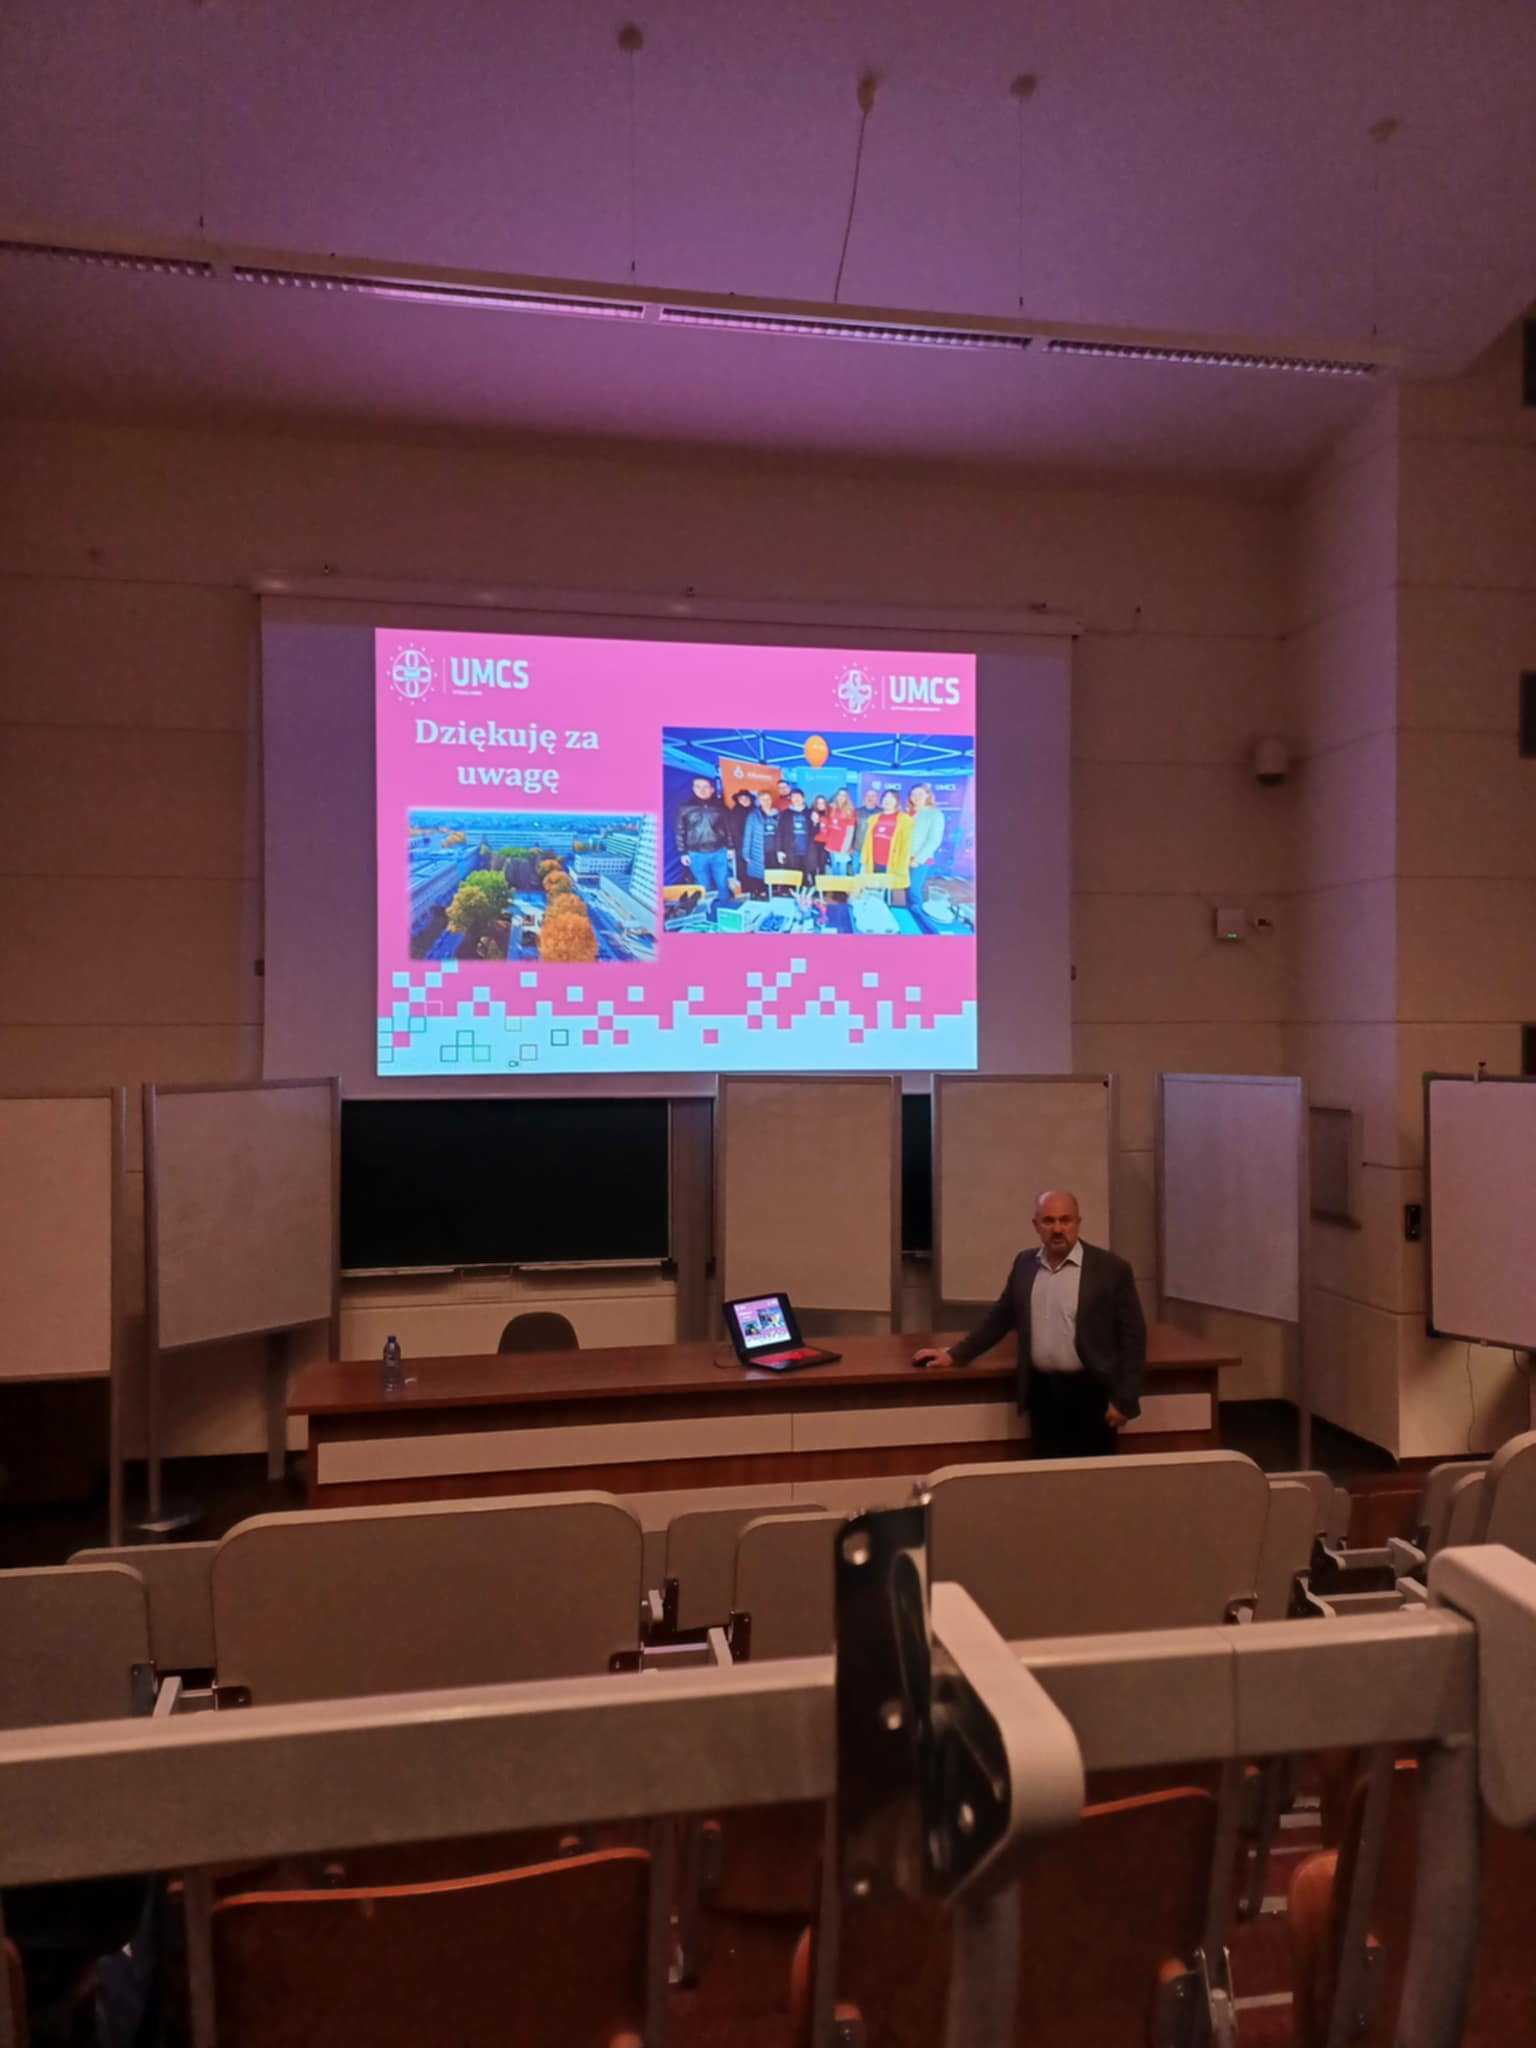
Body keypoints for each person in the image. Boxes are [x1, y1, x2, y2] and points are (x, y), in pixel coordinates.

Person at [912, 1190, 1145, 1458]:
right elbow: (999, 1318)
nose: (1057, 1229)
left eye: (1065, 1220)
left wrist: (1125, 1398)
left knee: (1092, 1479)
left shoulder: (1111, 1269)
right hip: (1042, 1395)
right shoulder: (1025, 1264)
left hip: (1093, 1395)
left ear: (1078, 1222)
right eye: (1048, 1221)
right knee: (1045, 1476)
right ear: (1036, 1225)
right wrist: (955, 1355)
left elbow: (1134, 1339)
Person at [674, 774, 734, 920]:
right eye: (698, 786)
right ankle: (709, 917)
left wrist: (731, 847)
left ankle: (726, 914)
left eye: (706, 787)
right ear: (693, 789)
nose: (702, 790)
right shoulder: (684, 808)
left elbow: (728, 829)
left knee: (722, 884)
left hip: (719, 852)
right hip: (696, 854)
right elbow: (679, 831)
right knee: (703, 886)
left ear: (712, 789)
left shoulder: (720, 807)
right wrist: (682, 853)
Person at [860, 787, 913, 905]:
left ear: (897, 802)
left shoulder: (905, 820)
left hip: (892, 864)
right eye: (885, 797)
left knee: (890, 896)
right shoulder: (874, 819)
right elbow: (867, 843)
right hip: (874, 862)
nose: (887, 800)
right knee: (873, 892)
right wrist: (864, 862)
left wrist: (900, 868)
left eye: (891, 798)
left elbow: (906, 846)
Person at [771, 786, 823, 879]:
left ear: (803, 798)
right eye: (794, 797)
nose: (796, 799)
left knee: (807, 877)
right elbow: (779, 833)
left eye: (798, 797)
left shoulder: (811, 813)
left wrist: (816, 823)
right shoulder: (784, 814)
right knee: (793, 877)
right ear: (790, 799)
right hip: (790, 851)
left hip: (808, 851)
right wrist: (779, 850)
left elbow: (816, 832)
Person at [906, 783, 944, 907]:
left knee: (914, 891)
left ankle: (919, 915)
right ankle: (910, 915)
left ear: (927, 795)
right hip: (904, 857)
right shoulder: (907, 814)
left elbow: (934, 840)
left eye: (920, 793)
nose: (916, 797)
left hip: (919, 860)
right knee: (906, 889)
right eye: (913, 794)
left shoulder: (935, 814)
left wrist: (917, 859)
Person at [739, 787, 778, 897]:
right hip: (758, 850)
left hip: (774, 851)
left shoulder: (778, 814)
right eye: (763, 799)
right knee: (759, 875)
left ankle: (773, 894)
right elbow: (748, 836)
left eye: (768, 799)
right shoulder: (753, 816)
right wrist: (745, 854)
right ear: (759, 801)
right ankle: (762, 894)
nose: (766, 802)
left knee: (774, 874)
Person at [819, 788, 858, 876]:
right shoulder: (831, 808)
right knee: (834, 869)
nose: (841, 797)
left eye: (843, 795)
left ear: (847, 798)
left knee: (842, 870)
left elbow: (850, 831)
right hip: (831, 844)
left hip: (842, 845)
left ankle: (842, 885)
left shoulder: (850, 811)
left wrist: (846, 847)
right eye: (839, 794)